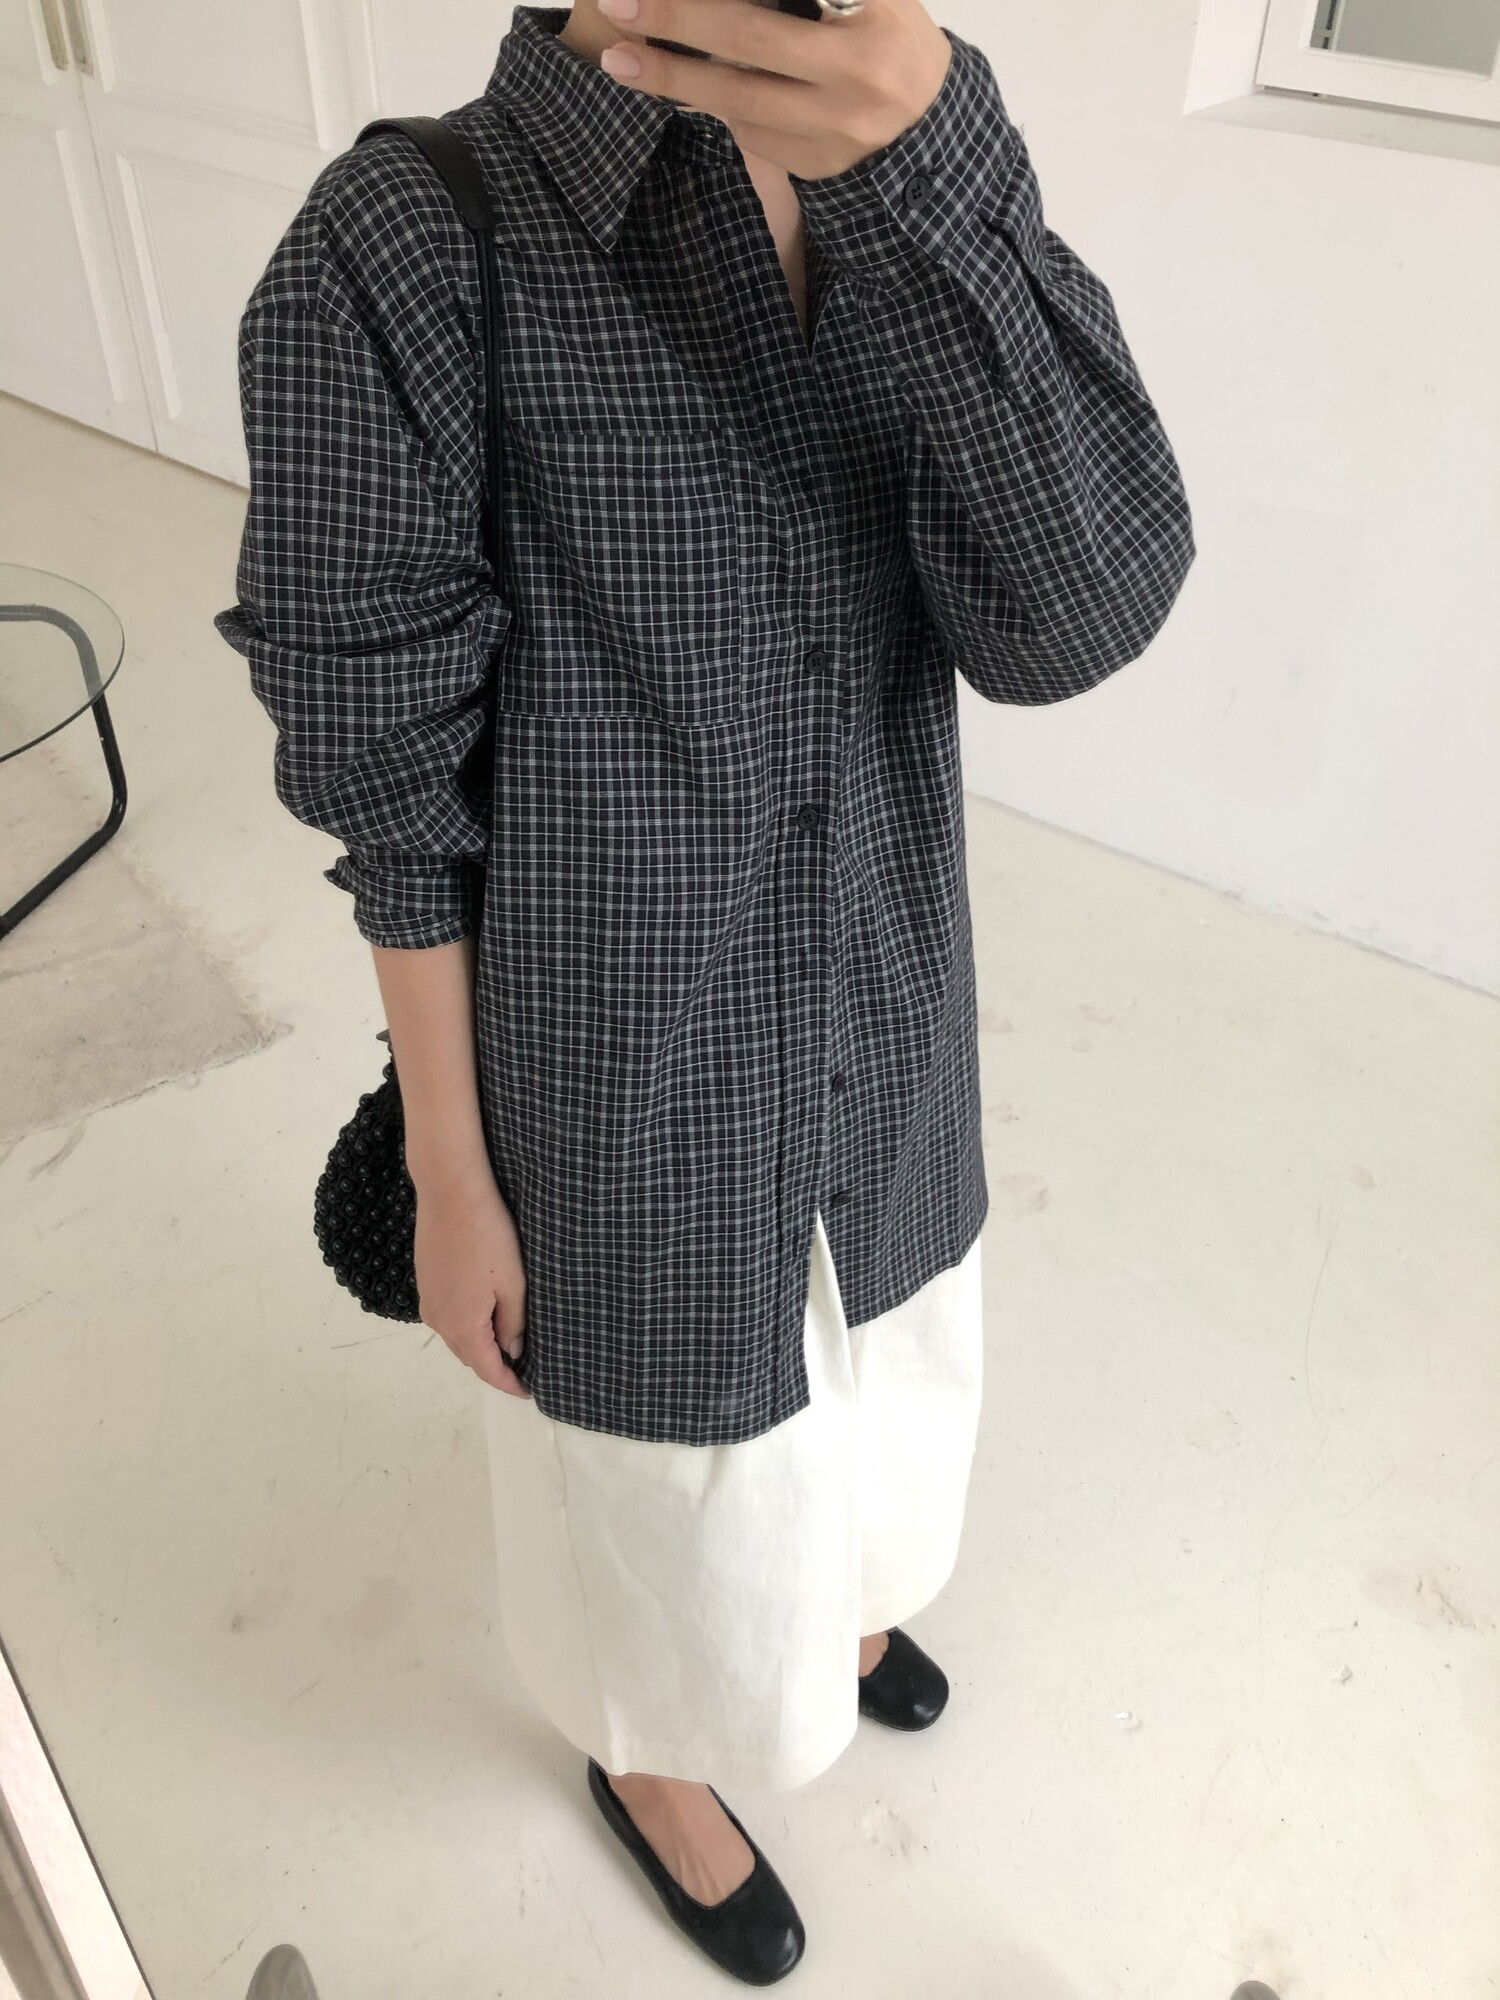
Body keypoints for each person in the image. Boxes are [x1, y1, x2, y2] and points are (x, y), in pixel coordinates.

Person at [216, 0, 1195, 1981]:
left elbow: (1075, 613)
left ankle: (846, 1598)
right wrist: (451, 1171)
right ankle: (649, 1759)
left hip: (885, 1007)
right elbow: (390, 781)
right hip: (618, 1077)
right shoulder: (405, 242)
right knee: (652, 1486)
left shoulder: (920, 160)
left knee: (881, 1372)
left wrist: (931, 178)